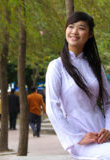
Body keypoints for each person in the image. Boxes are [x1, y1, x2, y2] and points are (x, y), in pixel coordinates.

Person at [46, 11, 110, 159]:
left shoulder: (95, 65)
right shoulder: (56, 66)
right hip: (81, 141)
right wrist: (77, 138)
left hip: (103, 134)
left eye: (81, 28)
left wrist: (108, 129)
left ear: (90, 34)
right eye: (71, 26)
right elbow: (52, 107)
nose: (74, 31)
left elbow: (108, 101)